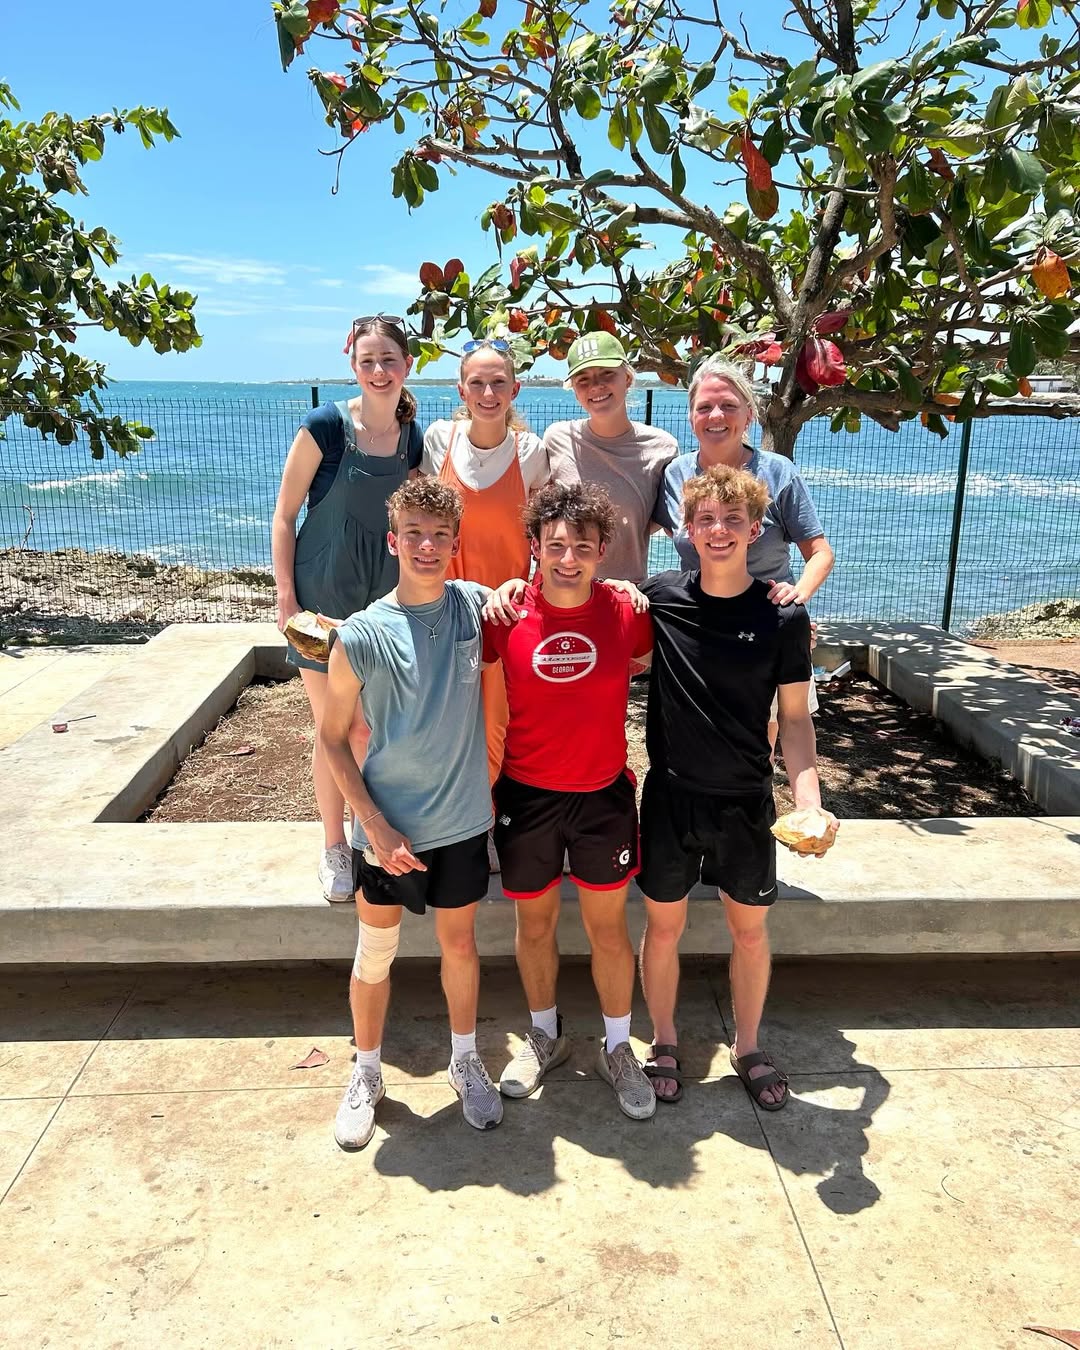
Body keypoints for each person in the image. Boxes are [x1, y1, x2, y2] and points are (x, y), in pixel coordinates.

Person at [637, 464, 838, 1109]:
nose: (718, 530)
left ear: (755, 530)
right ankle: (663, 1040)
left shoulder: (783, 617)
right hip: (669, 798)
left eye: (733, 520)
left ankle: (748, 1046)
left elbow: (796, 721)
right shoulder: (659, 598)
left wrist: (808, 802)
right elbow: (589, 599)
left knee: (749, 933)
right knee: (662, 929)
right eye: (705, 519)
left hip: (746, 802)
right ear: (686, 529)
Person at [321, 477, 503, 1150]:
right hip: (387, 829)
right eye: (415, 535)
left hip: (462, 824)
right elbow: (331, 740)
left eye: (441, 536)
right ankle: (367, 1071)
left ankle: (465, 1060)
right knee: (375, 953)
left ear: (456, 544)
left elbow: (541, 594)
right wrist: (374, 827)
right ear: (394, 542)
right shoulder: (362, 635)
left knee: (461, 947)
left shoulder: (475, 608)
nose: (428, 546)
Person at [482, 482, 657, 1120]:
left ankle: (618, 1047)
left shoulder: (627, 611)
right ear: (534, 545)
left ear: (603, 549)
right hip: (526, 797)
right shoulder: (504, 616)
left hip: (602, 797)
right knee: (534, 925)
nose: (568, 558)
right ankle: (544, 1035)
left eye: (582, 547)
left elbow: (644, 661)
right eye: (555, 545)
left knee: (608, 929)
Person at [272, 315, 423, 902]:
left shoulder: (412, 437)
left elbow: (417, 524)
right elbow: (285, 516)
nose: (379, 371)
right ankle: (336, 845)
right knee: (337, 727)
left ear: (407, 364)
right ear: (352, 365)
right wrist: (286, 596)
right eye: (368, 361)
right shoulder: (325, 427)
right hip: (319, 603)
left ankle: (368, 834)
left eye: (389, 360)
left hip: (382, 609)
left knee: (374, 728)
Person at [655, 355, 835, 745]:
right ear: (691, 417)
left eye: (729, 405)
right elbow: (642, 527)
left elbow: (820, 552)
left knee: (760, 743)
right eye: (704, 407)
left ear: (750, 414)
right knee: (703, 740)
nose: (716, 415)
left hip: (766, 629)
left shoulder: (778, 472)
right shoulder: (675, 474)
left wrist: (795, 604)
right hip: (702, 629)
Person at [422, 337, 549, 784]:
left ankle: (490, 814)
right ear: (461, 391)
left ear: (515, 389)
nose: (488, 393)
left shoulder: (531, 452)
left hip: (503, 615)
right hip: (442, 613)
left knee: (497, 727)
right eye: (477, 383)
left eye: (498, 382)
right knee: (442, 722)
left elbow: (544, 539)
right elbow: (419, 521)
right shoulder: (439, 440)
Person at [545, 333, 678, 584]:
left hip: (628, 595)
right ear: (574, 390)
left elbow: (658, 522)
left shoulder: (662, 448)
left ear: (627, 378)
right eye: (583, 379)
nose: (596, 386)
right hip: (563, 591)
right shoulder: (557, 439)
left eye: (607, 374)